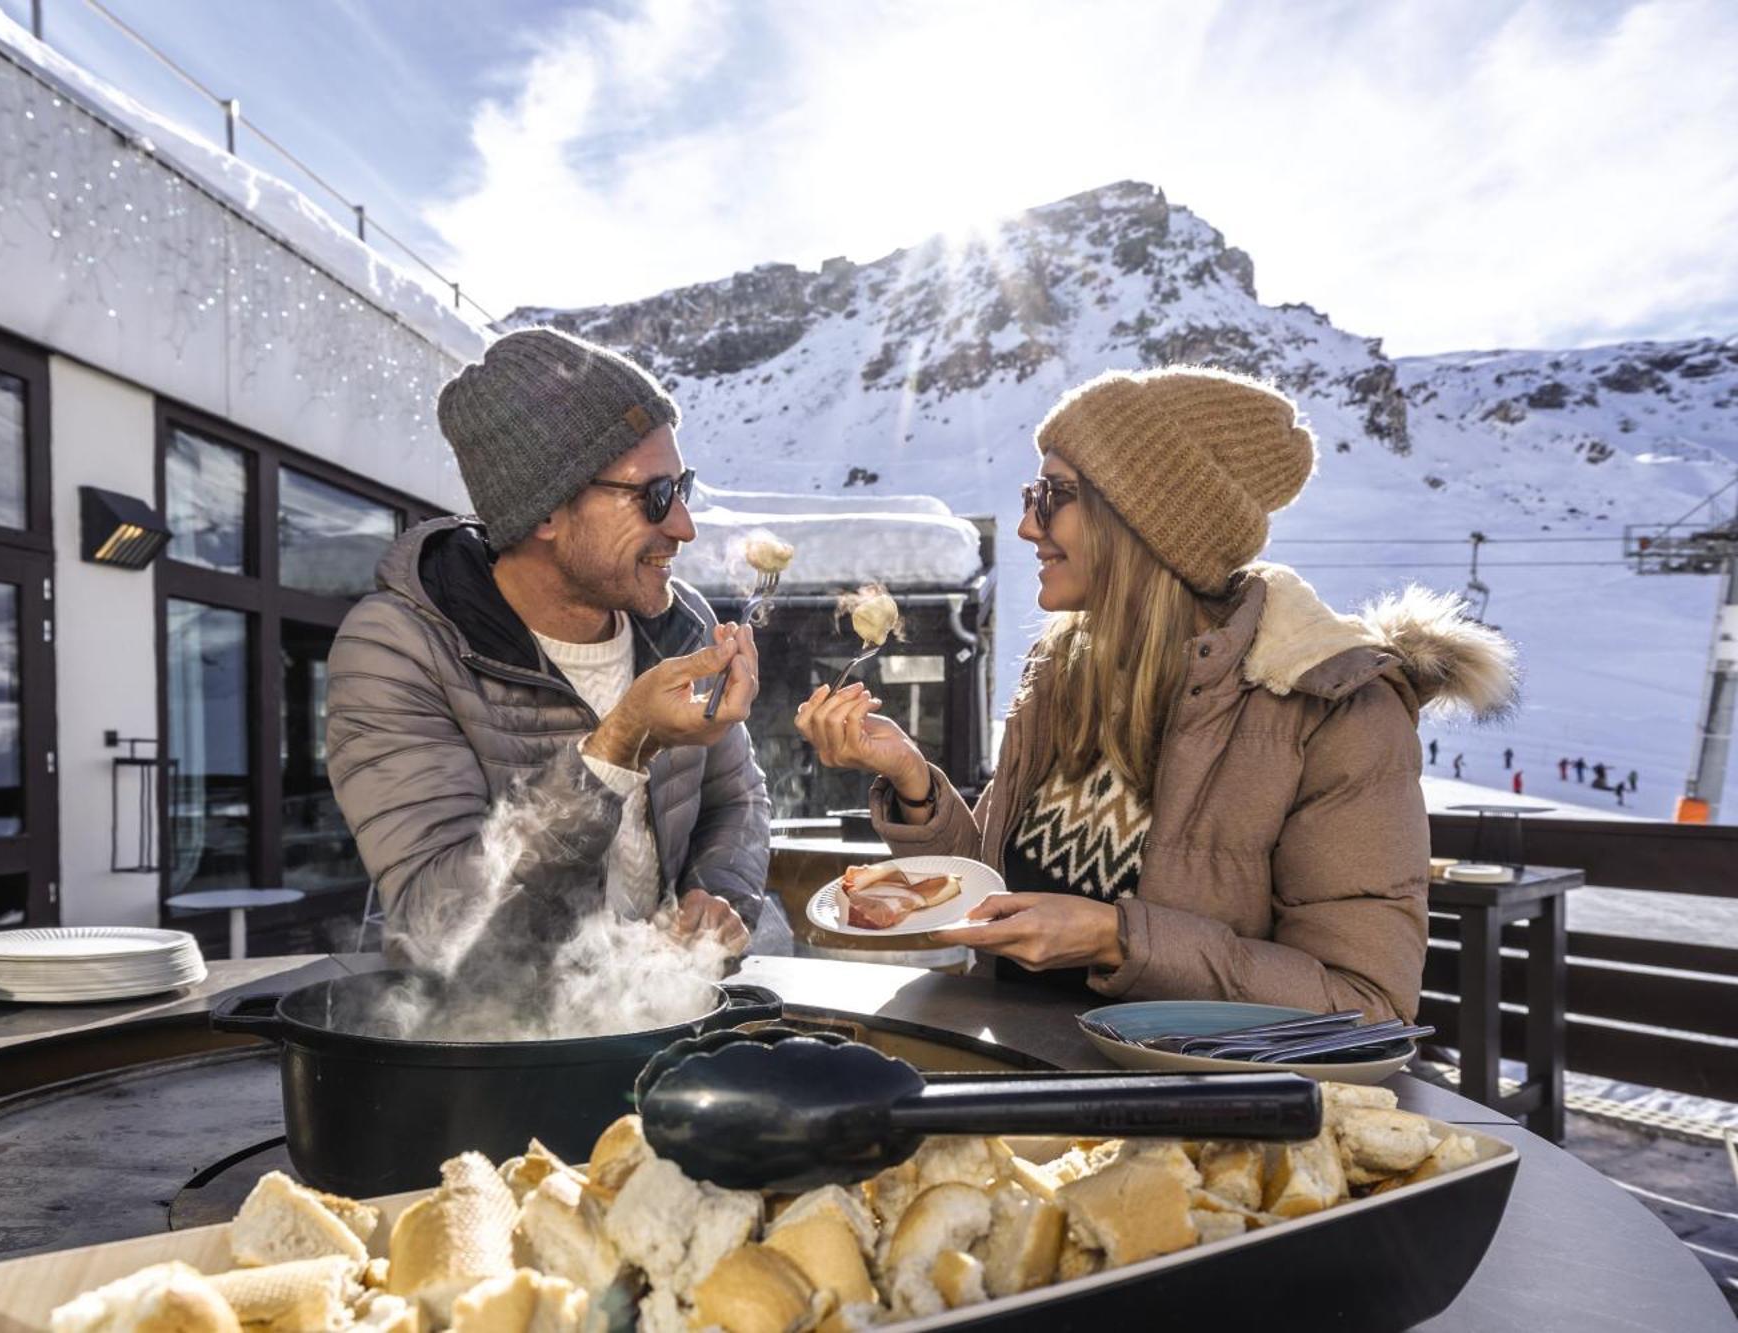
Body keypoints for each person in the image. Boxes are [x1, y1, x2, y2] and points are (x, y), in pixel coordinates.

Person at [795, 367, 1516, 1021]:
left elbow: (1367, 1002)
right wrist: (913, 781)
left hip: (1199, 1134)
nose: (1025, 525)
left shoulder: (1330, 711)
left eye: (1053, 496)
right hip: (1028, 1088)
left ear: (1144, 521)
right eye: (1029, 495)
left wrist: (1119, 941)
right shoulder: (1065, 671)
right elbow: (996, 895)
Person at [327, 328, 779, 968]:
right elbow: (440, 921)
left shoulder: (681, 622)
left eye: (684, 488)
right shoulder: (398, 650)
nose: (684, 526)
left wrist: (714, 896)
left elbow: (739, 799)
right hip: (492, 1048)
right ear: (543, 512)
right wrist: (618, 746)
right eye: (654, 496)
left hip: (661, 1020)